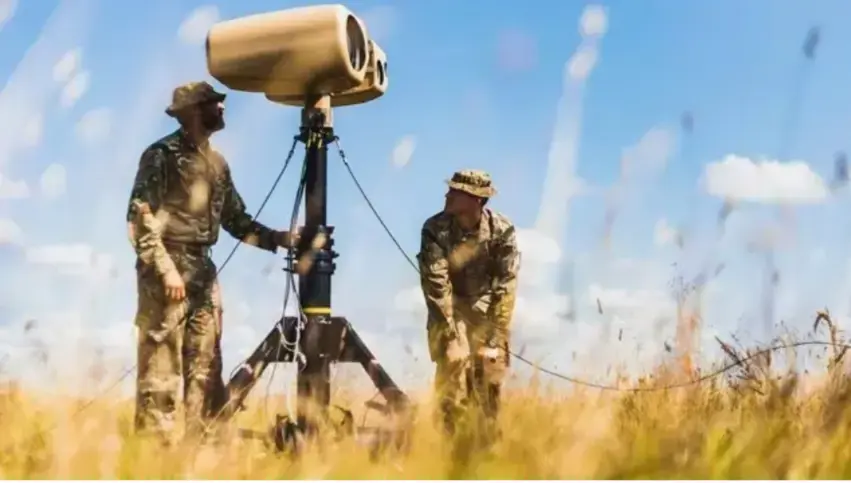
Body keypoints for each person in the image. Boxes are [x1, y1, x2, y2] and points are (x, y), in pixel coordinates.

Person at [126, 81, 299, 445]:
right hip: (166, 268)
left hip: (203, 272)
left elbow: (236, 220)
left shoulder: (217, 164)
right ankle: (154, 457)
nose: (221, 108)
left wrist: (278, 239)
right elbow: (139, 219)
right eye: (212, 103)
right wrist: (166, 269)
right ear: (191, 111)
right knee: (161, 369)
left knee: (205, 367)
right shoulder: (161, 155)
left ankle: (201, 454)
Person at [416, 169, 521, 446]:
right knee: (451, 367)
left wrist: (496, 338)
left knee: (489, 374)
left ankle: (487, 446)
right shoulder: (434, 228)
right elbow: (436, 285)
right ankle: (450, 445)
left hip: (487, 310)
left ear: (476, 200)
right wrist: (450, 336)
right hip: (449, 308)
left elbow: (506, 283)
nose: (447, 195)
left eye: (456, 191)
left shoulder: (502, 229)